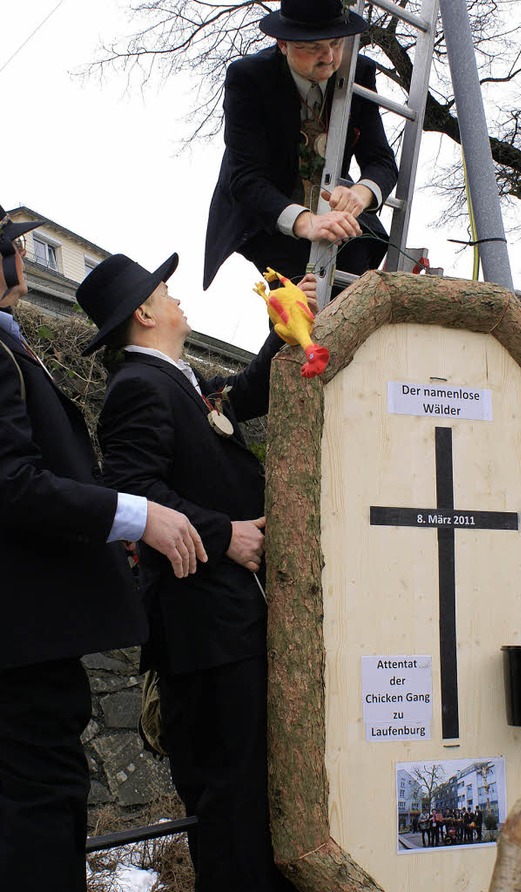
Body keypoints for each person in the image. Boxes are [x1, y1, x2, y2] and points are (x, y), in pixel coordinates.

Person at [0, 207, 207, 892]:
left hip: (30, 636)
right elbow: (14, 484)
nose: (24, 260)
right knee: (42, 802)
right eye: (14, 248)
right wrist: (134, 515)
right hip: (22, 641)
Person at [76, 251, 293, 892]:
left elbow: (243, 397)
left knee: (248, 789)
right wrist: (226, 535)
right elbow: (132, 488)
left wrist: (284, 326)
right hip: (204, 632)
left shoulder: (175, 377)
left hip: (224, 625)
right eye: (165, 292)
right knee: (231, 798)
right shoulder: (137, 388)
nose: (177, 300)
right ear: (144, 314)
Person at [203, 0, 398, 295]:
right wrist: (306, 223)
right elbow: (245, 179)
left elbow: (381, 160)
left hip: (333, 212)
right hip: (271, 214)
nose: (329, 57)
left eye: (336, 43)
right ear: (283, 43)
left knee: (352, 296)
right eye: (314, 47)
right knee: (296, 305)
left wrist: (359, 194)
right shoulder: (249, 78)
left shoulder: (360, 72)